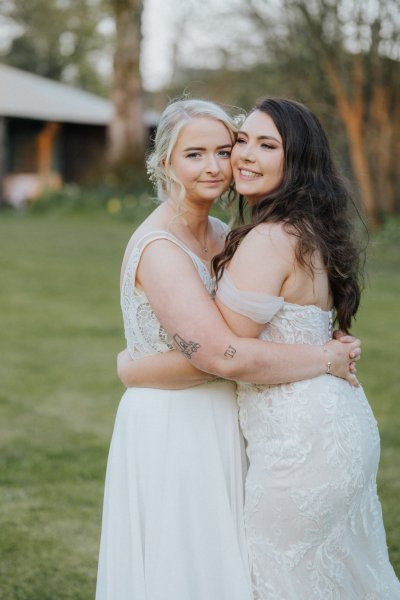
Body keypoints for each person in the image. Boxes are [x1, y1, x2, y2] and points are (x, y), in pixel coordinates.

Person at [117, 98, 400, 598]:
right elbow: (230, 350)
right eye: (196, 154)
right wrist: (324, 352)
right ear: (165, 163)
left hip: (288, 432)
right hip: (189, 425)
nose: (221, 163)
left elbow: (226, 353)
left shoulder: (243, 236)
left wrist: (133, 369)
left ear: (295, 162)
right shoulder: (169, 247)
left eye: (224, 149)